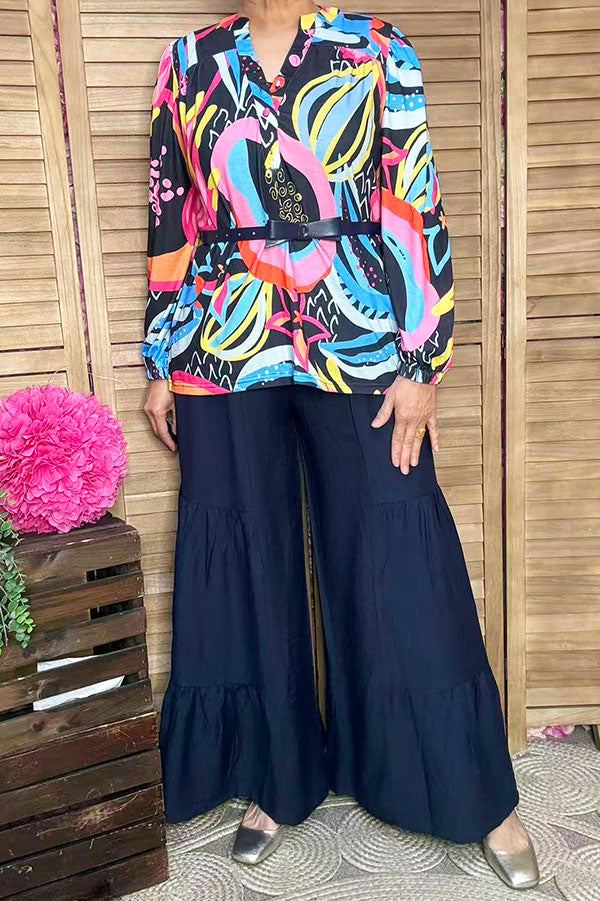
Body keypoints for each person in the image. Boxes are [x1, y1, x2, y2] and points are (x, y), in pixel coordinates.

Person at [142, 1, 540, 889]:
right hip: (225, 337)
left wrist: (424, 358)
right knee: (247, 553)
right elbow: (173, 215)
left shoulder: (376, 49)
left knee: (397, 545)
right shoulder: (189, 61)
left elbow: (413, 199)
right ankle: (277, 777)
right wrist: (164, 355)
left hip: (356, 332)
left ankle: (475, 790)